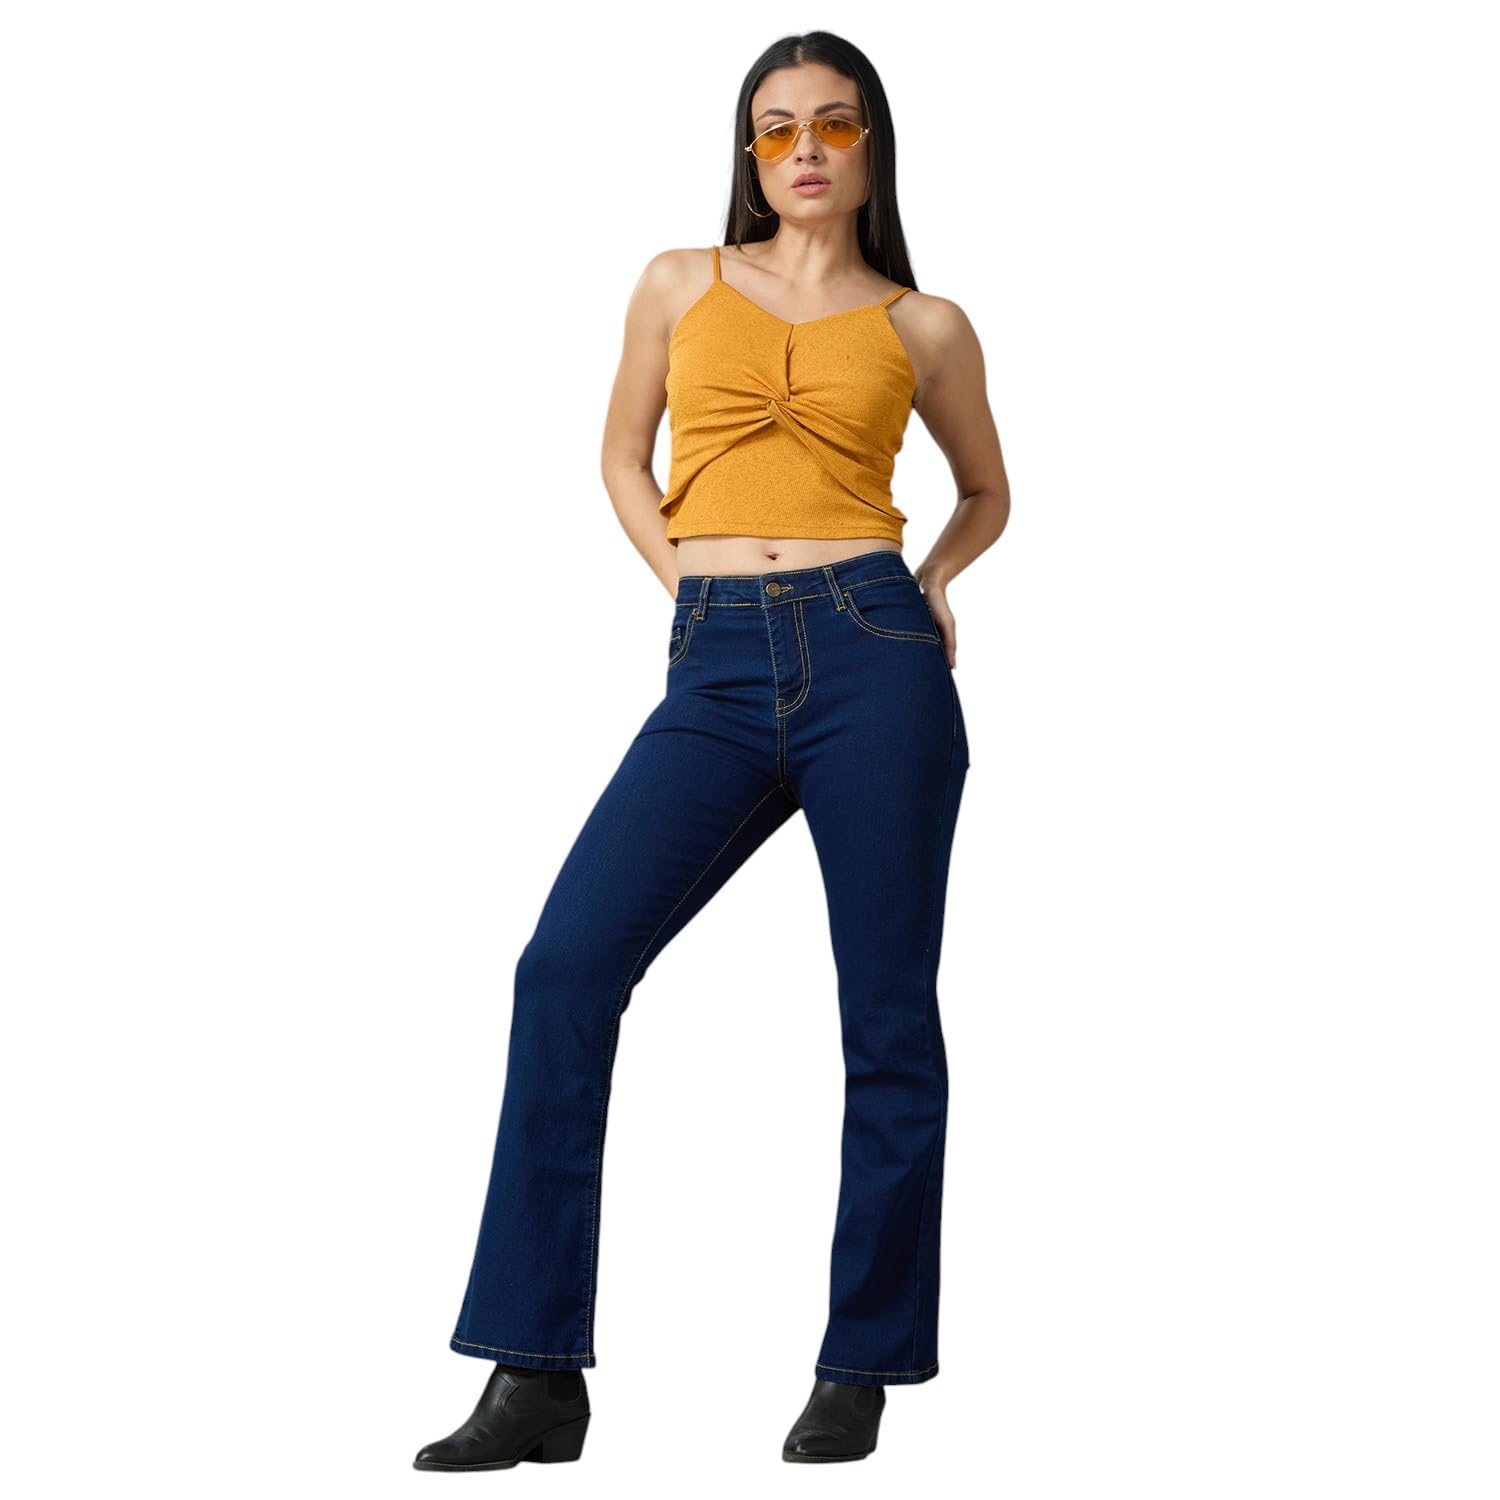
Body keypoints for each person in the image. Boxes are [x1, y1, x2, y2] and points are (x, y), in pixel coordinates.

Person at [414, 30, 1009, 1472]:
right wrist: (686, 583)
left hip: (875, 654)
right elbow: (623, 456)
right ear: (750, 151)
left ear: (871, 148)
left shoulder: (926, 323)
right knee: (565, 969)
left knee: (885, 1015)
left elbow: (988, 489)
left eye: (835, 125)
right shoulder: (680, 281)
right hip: (718, 662)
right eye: (778, 126)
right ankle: (535, 1374)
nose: (806, 149)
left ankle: (861, 1363)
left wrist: (935, 580)